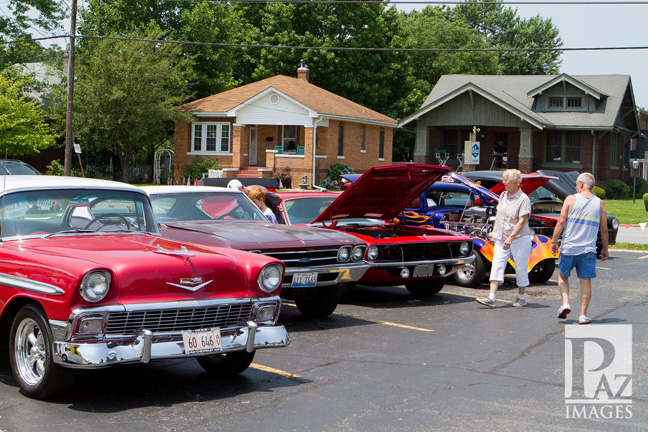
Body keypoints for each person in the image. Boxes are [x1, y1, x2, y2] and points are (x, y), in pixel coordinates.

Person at [550, 172, 608, 325]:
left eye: (576, 184)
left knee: (563, 276)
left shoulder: (570, 199)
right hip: (588, 250)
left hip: (569, 247)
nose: (575, 186)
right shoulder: (600, 203)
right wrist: (605, 249)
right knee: (585, 281)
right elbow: (604, 229)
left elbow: (561, 222)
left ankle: (565, 303)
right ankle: (583, 315)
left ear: (581, 184)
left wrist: (554, 241)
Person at [476, 169, 532, 308]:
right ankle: (492, 298)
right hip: (501, 237)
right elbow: (499, 217)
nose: (504, 182)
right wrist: (495, 234)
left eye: (506, 180)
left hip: (519, 238)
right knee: (497, 264)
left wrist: (511, 237)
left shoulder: (523, 199)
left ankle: (521, 297)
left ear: (514, 182)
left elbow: (522, 220)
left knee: (520, 267)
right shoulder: (503, 195)